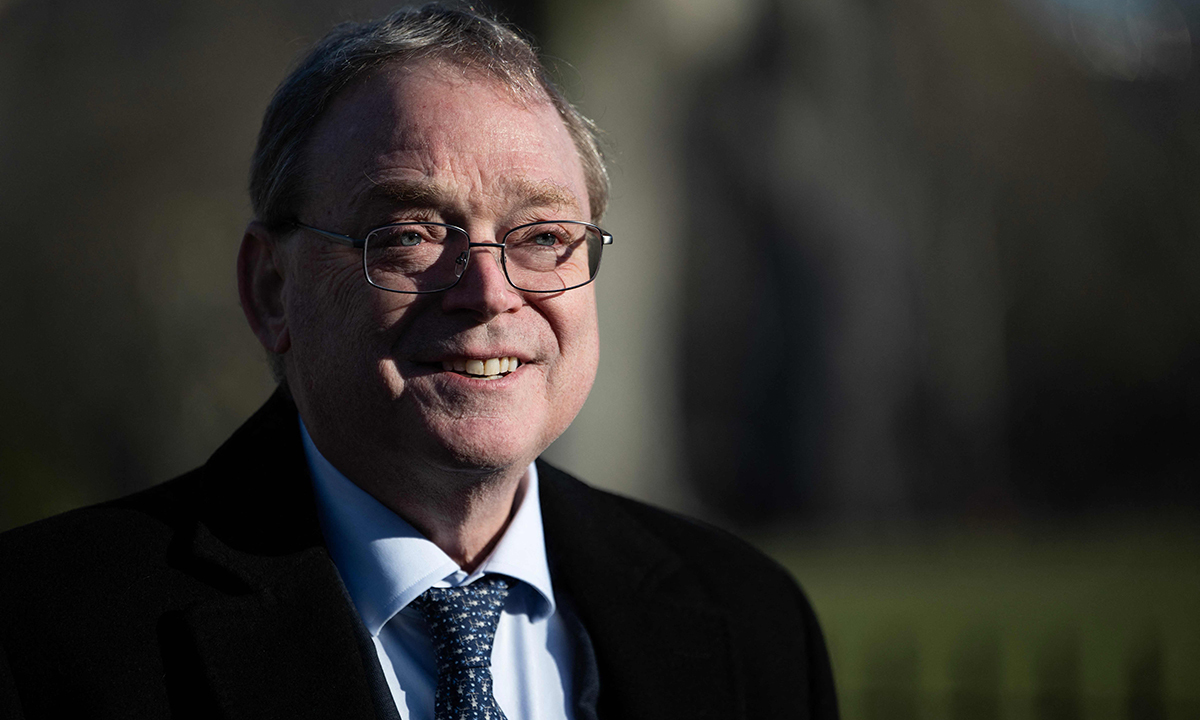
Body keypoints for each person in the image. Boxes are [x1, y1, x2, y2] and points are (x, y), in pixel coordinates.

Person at [0, 5, 837, 719]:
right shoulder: (44, 635)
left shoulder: (750, 624)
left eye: (544, 236)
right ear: (272, 290)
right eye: (410, 234)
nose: (489, 292)